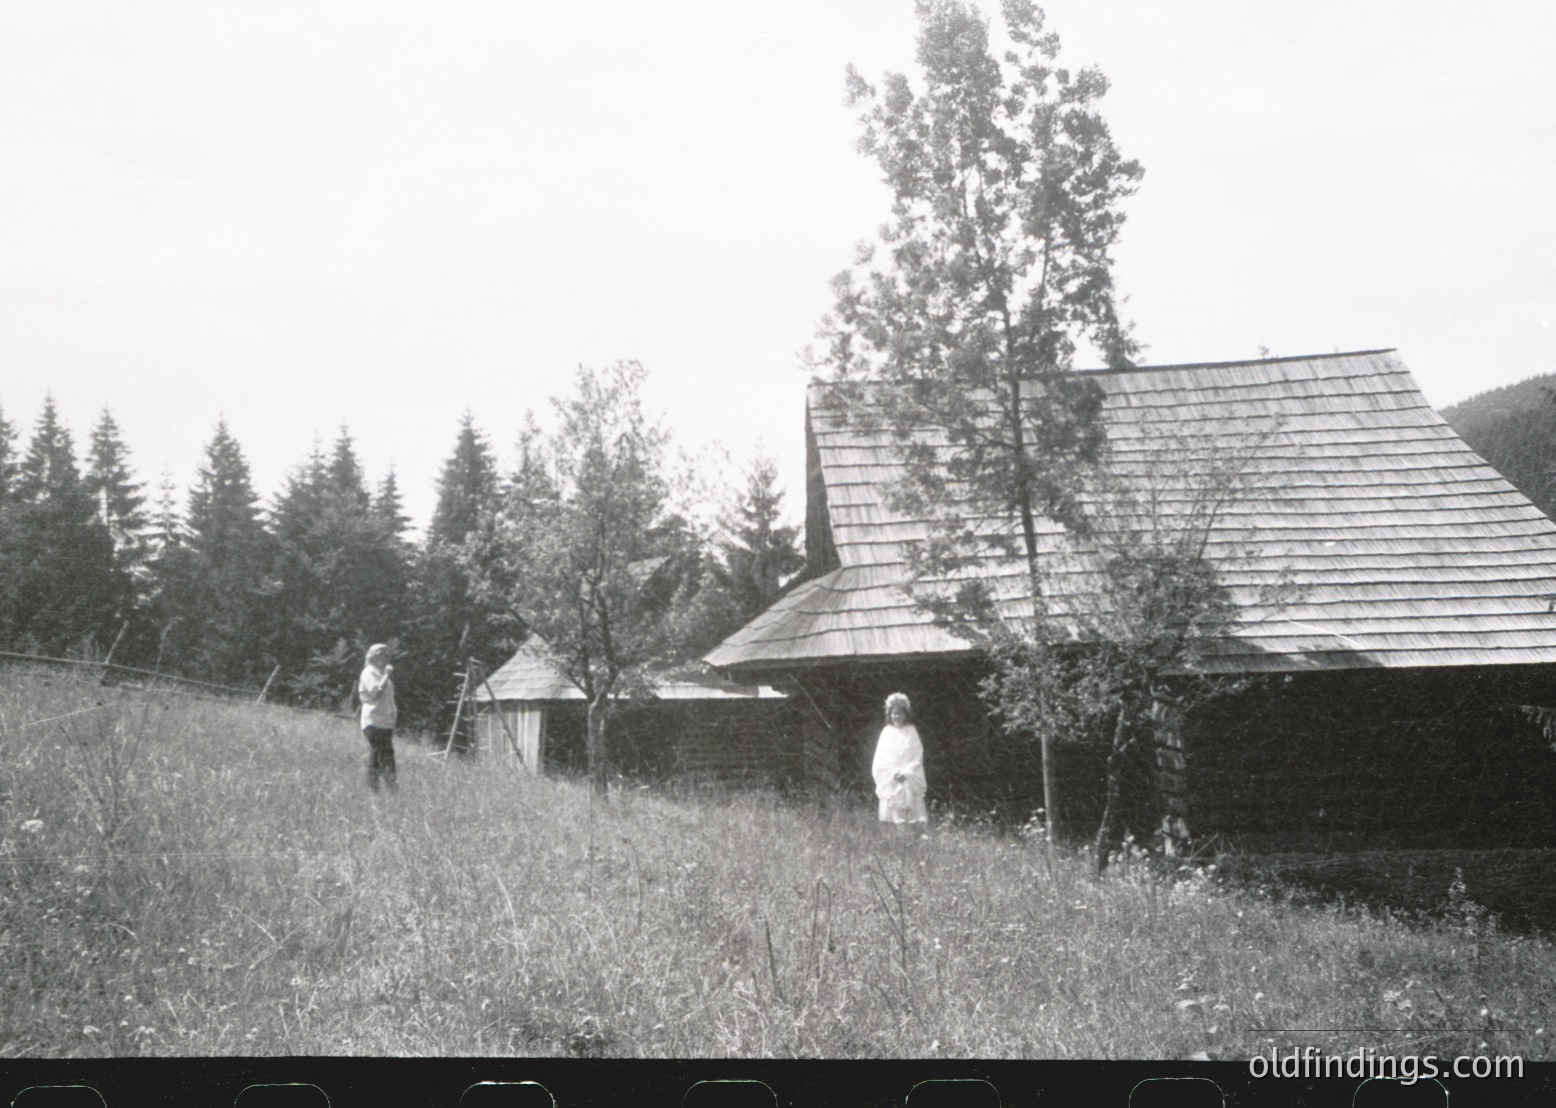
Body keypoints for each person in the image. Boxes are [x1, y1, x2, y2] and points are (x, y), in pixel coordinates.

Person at [872, 692, 927, 826]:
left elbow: (917, 754)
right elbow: (881, 758)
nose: (896, 716)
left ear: (905, 714)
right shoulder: (886, 732)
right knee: (897, 819)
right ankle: (898, 841)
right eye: (894, 713)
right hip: (892, 779)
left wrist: (906, 773)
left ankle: (916, 840)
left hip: (910, 777)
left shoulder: (911, 731)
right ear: (890, 714)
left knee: (914, 818)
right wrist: (894, 773)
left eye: (900, 713)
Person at [358, 643, 398, 793]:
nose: (386, 658)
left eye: (388, 655)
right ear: (374, 656)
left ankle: (375, 792)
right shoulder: (369, 672)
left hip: (385, 722)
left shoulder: (380, 673)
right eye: (383, 655)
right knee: (385, 755)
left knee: (376, 757)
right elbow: (375, 694)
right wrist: (387, 675)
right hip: (374, 721)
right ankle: (391, 790)